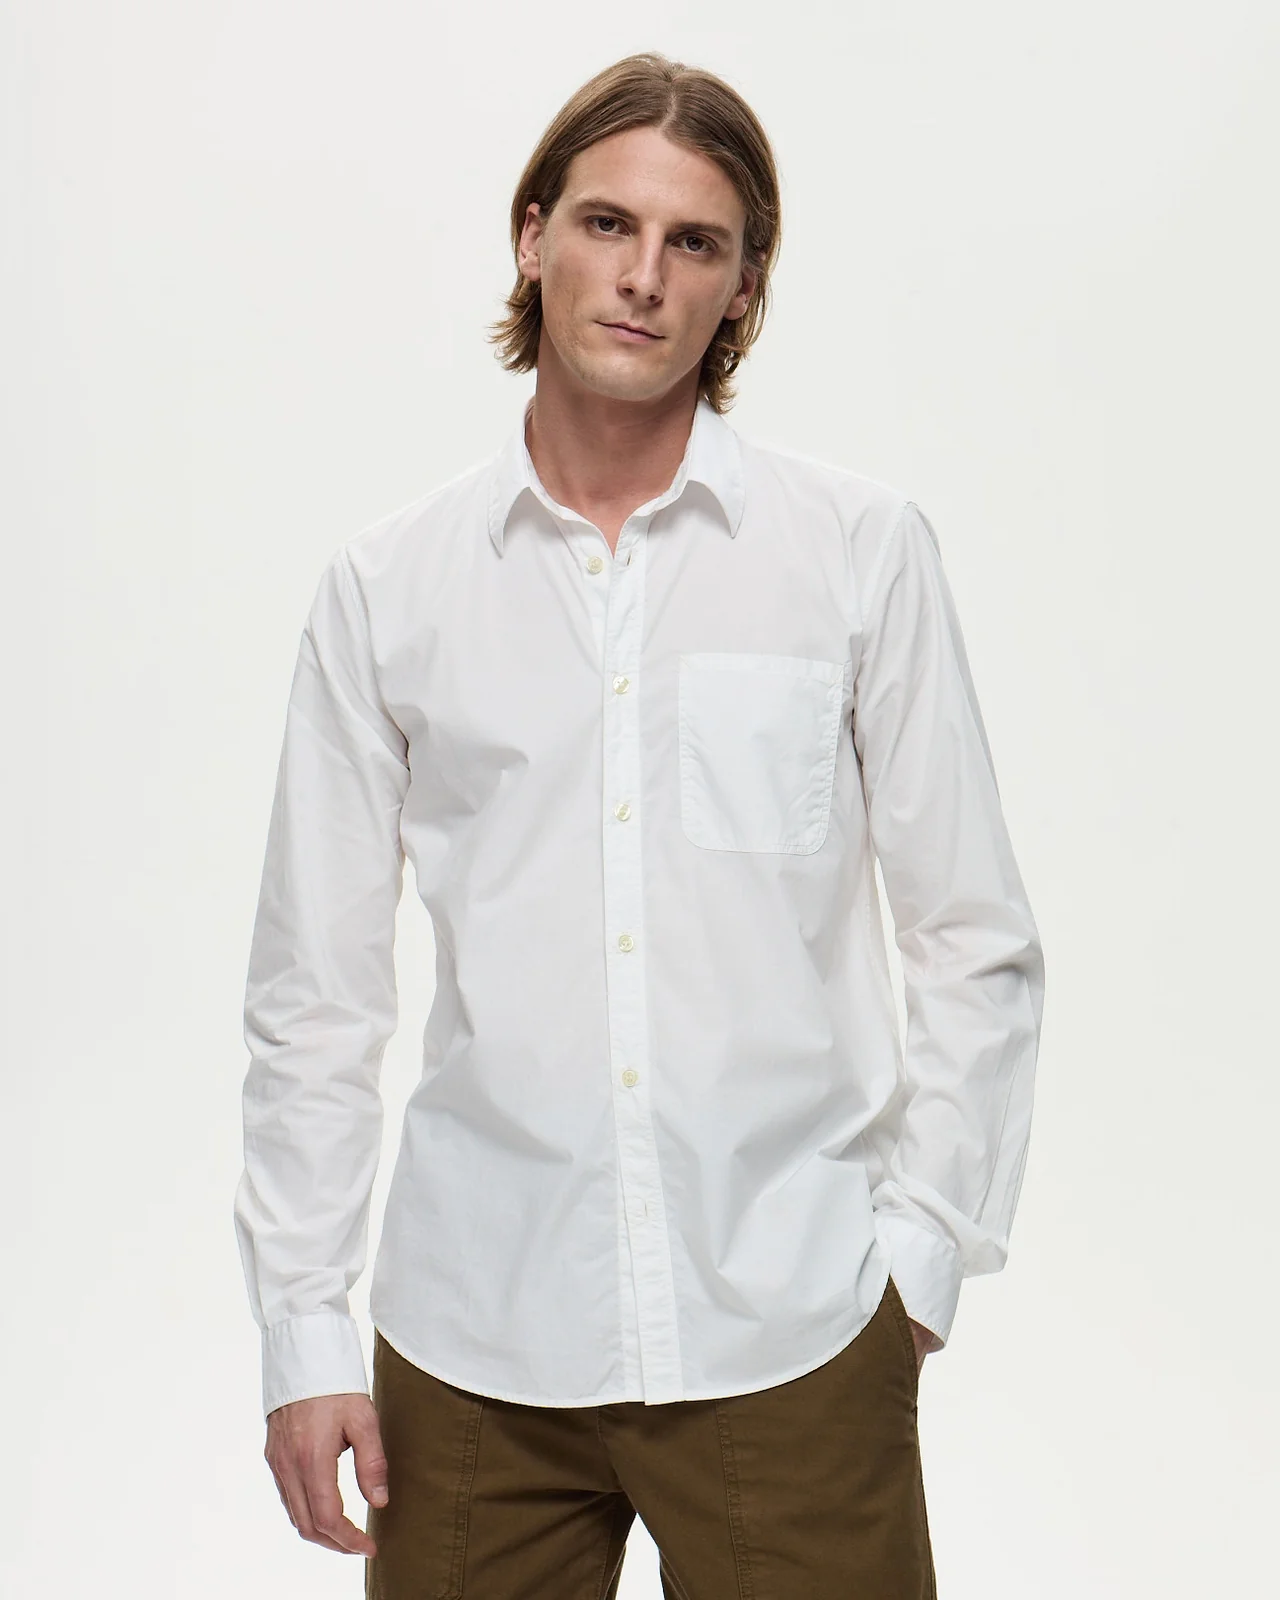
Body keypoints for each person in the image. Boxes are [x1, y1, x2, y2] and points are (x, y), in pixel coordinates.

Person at [233, 50, 1045, 1600]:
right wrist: (304, 1329)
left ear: (745, 287)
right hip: (472, 1347)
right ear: (532, 234)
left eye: (696, 242)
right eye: (609, 223)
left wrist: (923, 1258)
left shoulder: (858, 553)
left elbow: (973, 938)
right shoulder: (389, 590)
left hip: (793, 1326)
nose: (644, 276)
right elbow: (314, 996)